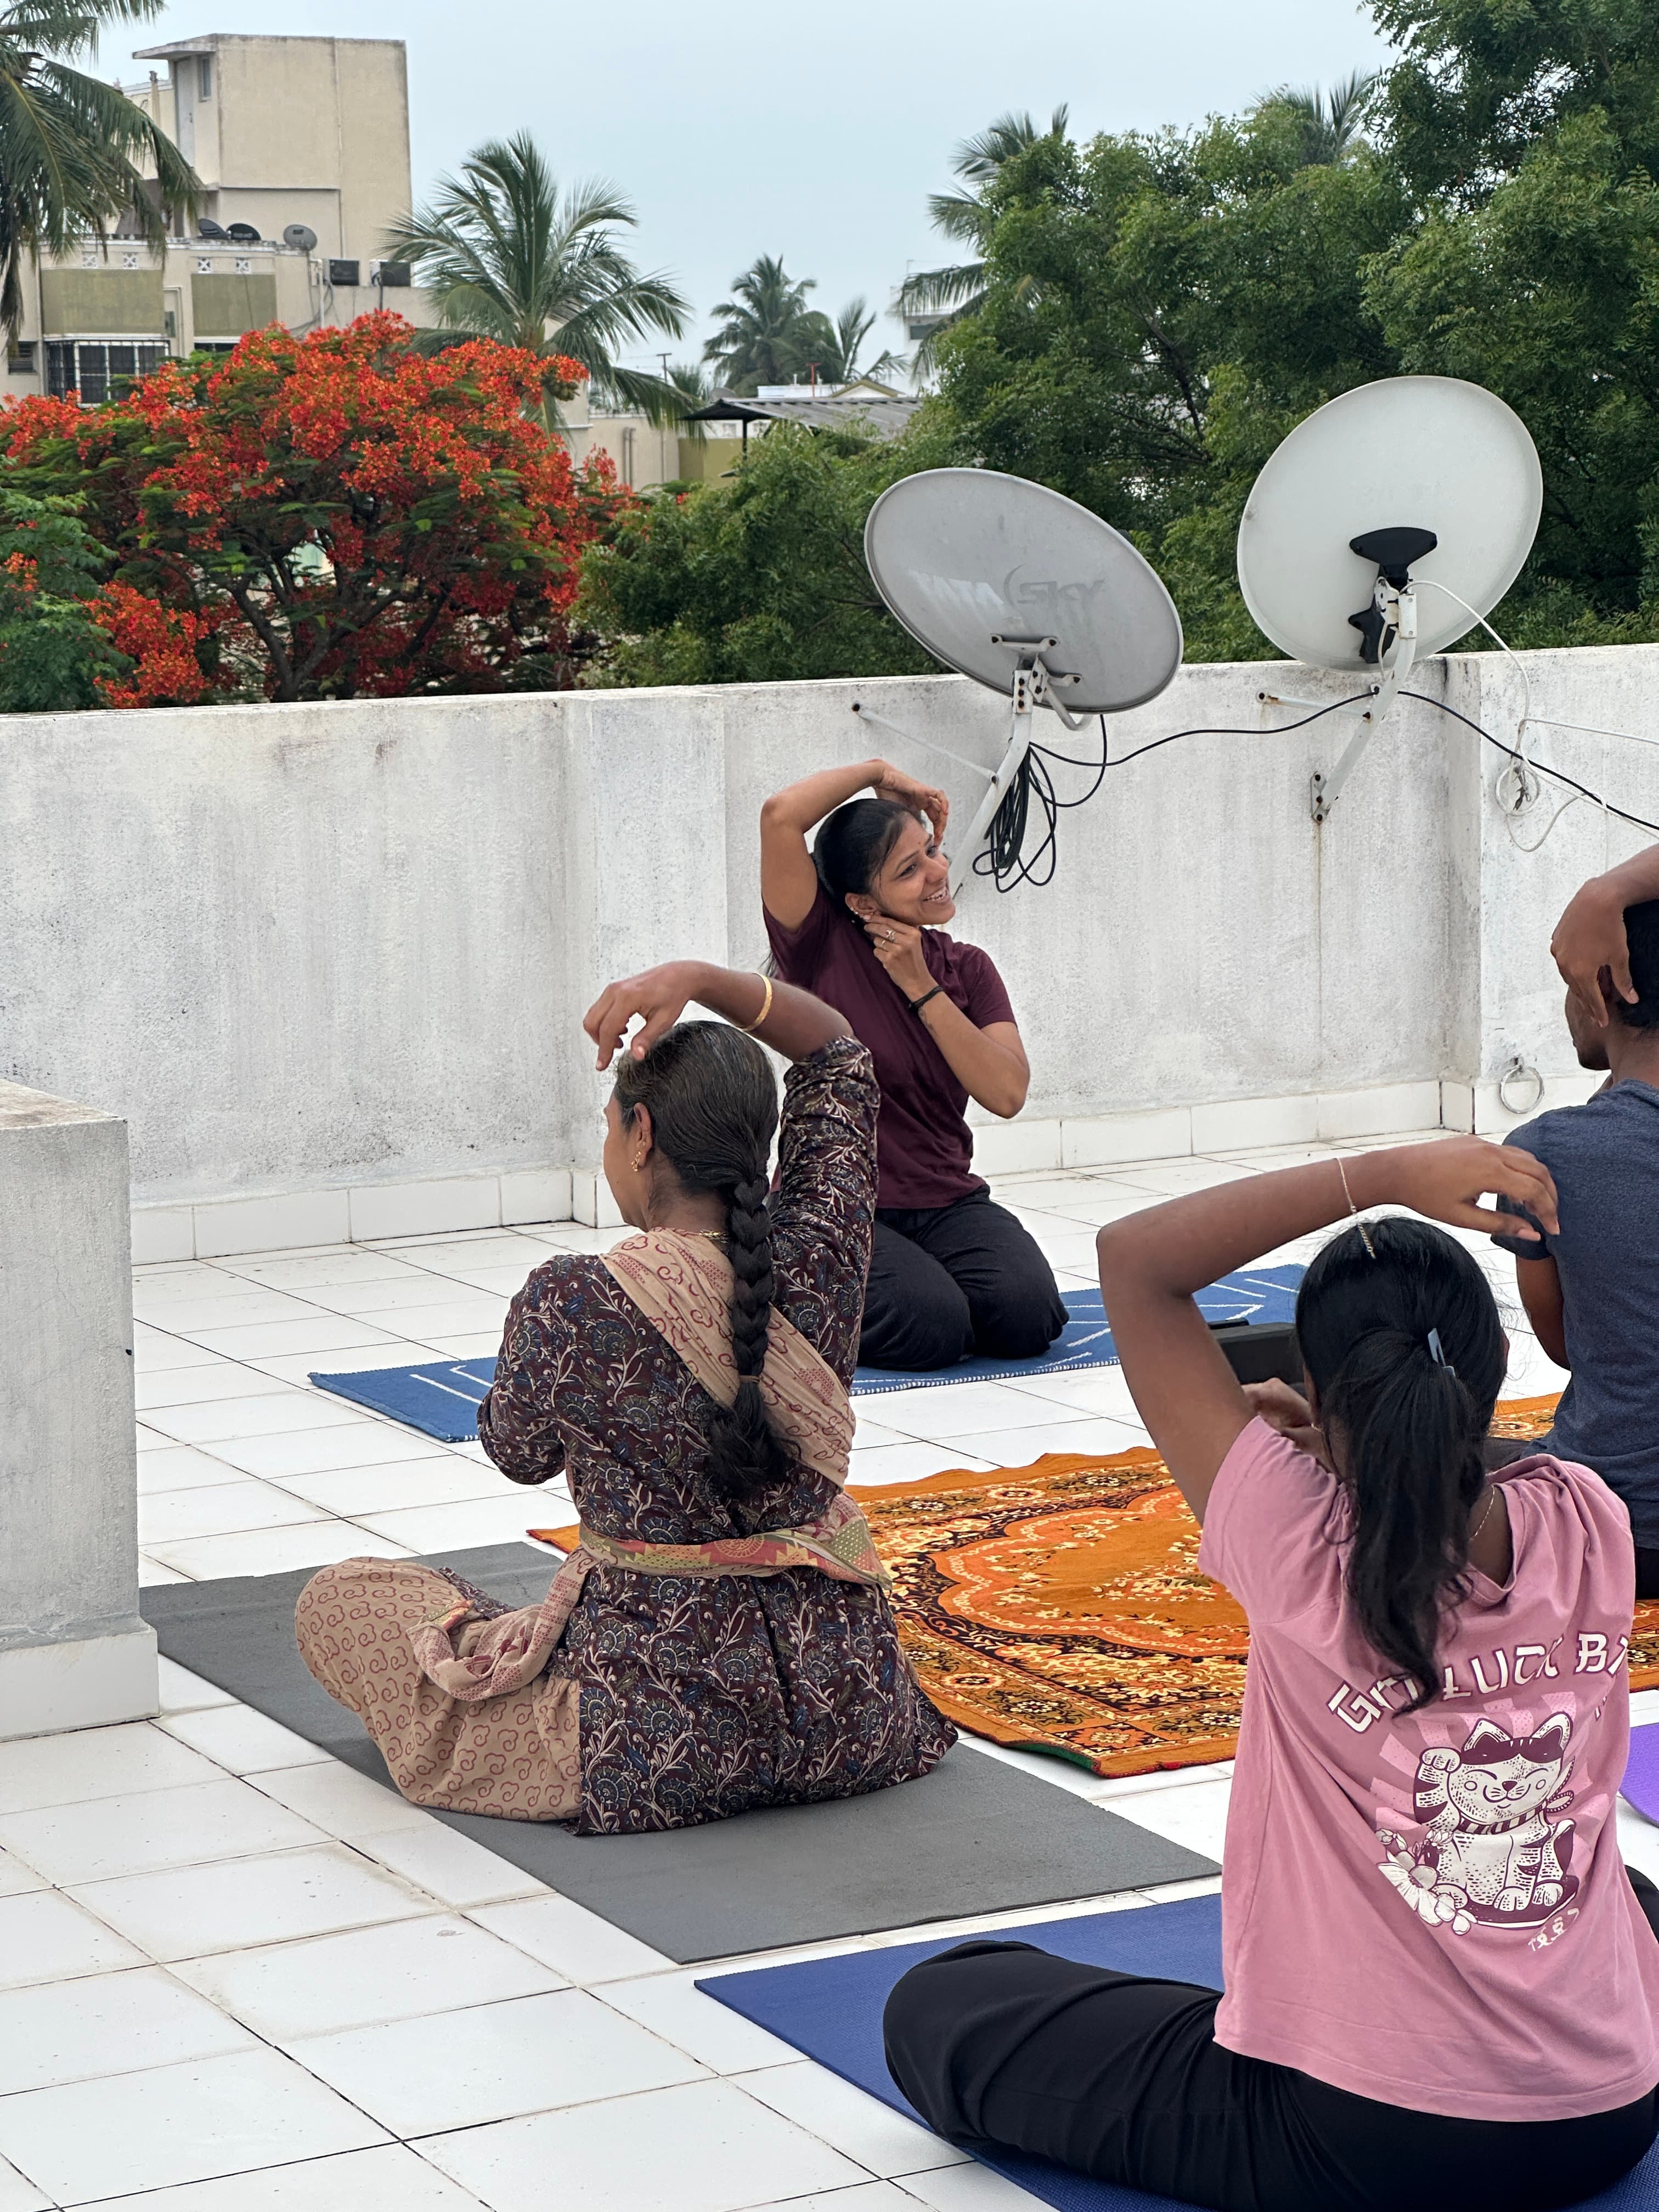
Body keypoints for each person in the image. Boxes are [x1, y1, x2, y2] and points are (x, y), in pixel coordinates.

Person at [884, 1136, 1659, 2212]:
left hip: (1375, 2147)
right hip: (1611, 2112)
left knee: (945, 2007)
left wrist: (1379, 1178)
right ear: (1485, 1388)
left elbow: (1136, 1263)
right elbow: (1461, 1480)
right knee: (1629, 1901)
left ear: (1322, 1401)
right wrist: (1338, 1453)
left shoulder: (1295, 1536)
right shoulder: (1590, 1519)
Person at [295, 960, 954, 1835]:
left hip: (653, 1736)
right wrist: (700, 980)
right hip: (852, 1711)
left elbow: (516, 1451)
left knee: (342, 1600)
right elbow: (837, 1055)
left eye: (611, 1127)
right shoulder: (820, 1254)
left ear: (641, 1134)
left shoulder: (573, 1299)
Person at [760, 756, 1066, 1370]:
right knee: (930, 1328)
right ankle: (788, 1287)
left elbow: (1006, 1093)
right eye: (909, 869)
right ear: (859, 901)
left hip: (946, 1201)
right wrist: (878, 770)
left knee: (1028, 1313)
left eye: (931, 851)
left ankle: (898, 1289)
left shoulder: (967, 969)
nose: (938, 871)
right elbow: (780, 817)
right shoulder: (820, 949)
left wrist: (922, 987)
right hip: (841, 1207)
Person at [1492, 868, 1659, 1594]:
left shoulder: (1546, 1152)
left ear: (1604, 990)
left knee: (1435, 1451)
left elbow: (1567, 1347)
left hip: (1614, 1531)